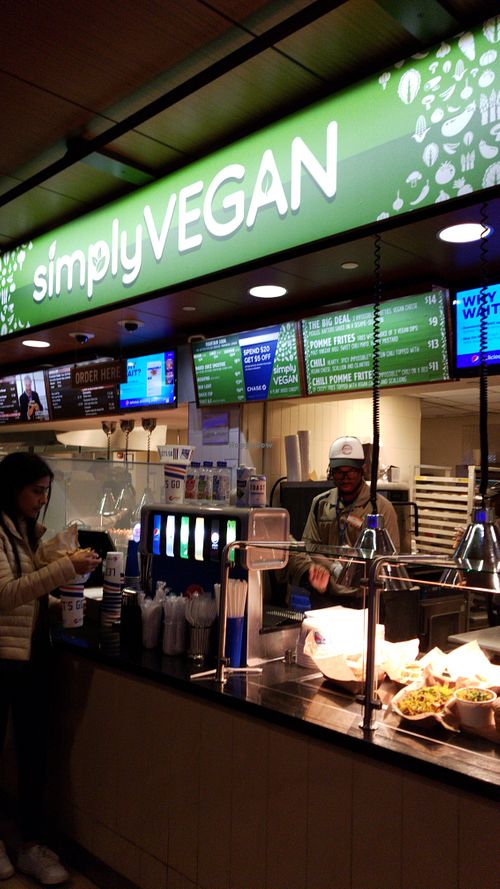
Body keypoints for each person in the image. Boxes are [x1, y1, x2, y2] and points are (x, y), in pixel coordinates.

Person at [0, 453, 101, 885]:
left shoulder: (24, 530)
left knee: (34, 754)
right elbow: (6, 595)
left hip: (32, 657)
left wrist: (66, 605)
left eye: (47, 491)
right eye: (35, 491)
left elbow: (29, 595)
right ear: (12, 489)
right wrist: (66, 568)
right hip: (2, 659)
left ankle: (30, 845)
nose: (42, 500)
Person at [279, 435, 400, 609]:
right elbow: (310, 547)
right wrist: (329, 567)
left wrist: (355, 569)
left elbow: (389, 561)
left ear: (362, 470)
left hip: (364, 601)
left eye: (350, 471)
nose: (345, 477)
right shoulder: (321, 503)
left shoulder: (381, 508)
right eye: (338, 471)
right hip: (326, 595)